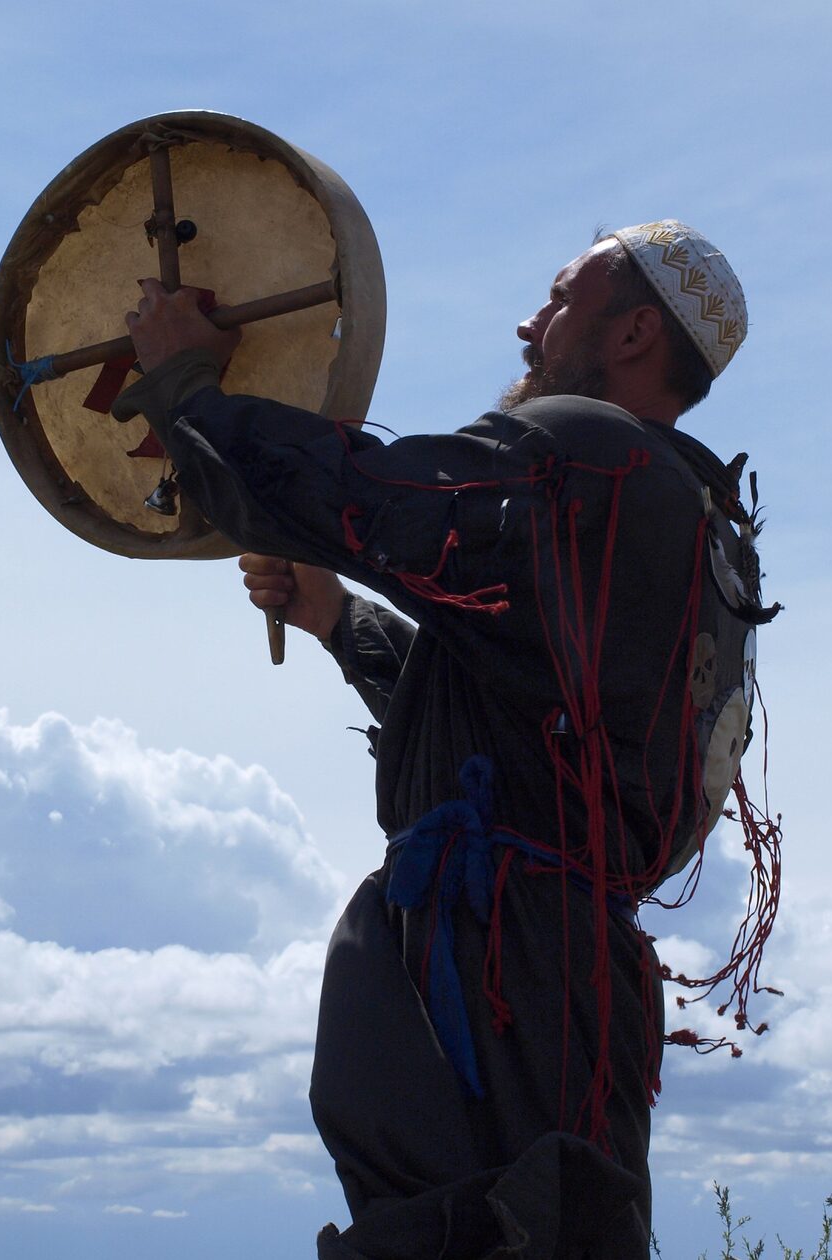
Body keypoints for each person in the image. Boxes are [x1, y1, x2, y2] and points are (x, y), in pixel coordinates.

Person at [115, 221, 772, 1260]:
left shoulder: (583, 453)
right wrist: (341, 622)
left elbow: (368, 500)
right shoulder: (699, 524)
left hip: (499, 964)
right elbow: (516, 718)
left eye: (561, 298)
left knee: (461, 1239)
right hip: (571, 980)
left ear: (639, 329)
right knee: (549, 1230)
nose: (531, 322)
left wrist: (186, 385)